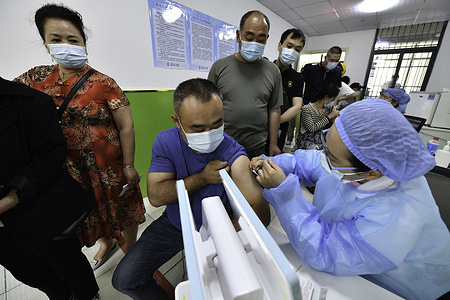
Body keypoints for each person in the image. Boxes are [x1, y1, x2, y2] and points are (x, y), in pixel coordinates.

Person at [250, 98, 450, 300]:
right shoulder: (354, 159)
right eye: (326, 147)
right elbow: (308, 162)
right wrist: (270, 163)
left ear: (373, 173)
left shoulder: (398, 215)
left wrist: (285, 194)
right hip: (352, 268)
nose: (323, 156)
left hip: (395, 287)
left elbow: (326, 251)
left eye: (332, 156)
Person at [14, 4, 145, 270]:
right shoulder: (34, 79)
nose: (65, 45)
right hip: (69, 170)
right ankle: (104, 243)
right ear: (46, 43)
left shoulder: (104, 83)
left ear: (84, 43)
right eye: (56, 39)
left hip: (110, 168)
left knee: (124, 210)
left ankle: (130, 249)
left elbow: (126, 128)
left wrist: (129, 165)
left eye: (72, 40)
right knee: (89, 212)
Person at [112, 78, 270, 299]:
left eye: (217, 124)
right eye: (197, 128)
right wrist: (202, 178)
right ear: (177, 122)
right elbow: (156, 196)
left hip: (219, 228)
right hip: (176, 224)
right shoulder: (166, 142)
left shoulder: (231, 149)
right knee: (124, 280)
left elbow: (260, 215)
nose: (209, 133)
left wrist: (225, 238)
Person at [0, 77, 99, 300]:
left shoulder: (26, 101)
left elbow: (51, 154)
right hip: (4, 230)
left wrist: (11, 199)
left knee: (68, 264)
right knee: (28, 272)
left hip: (36, 209)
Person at [208, 10, 283, 158]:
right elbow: (208, 107)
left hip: (257, 145)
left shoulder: (273, 71)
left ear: (267, 39)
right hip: (224, 144)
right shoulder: (219, 67)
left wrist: (273, 144)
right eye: (249, 37)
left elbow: (274, 109)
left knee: (255, 181)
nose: (254, 43)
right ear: (238, 36)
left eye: (261, 39)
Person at [273, 28, 305, 151]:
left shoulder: (297, 77)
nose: (292, 51)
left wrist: (275, 122)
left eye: (297, 49)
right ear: (279, 46)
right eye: (289, 46)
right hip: (258, 125)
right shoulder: (265, 70)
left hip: (281, 124)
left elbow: (297, 106)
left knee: (272, 159)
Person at [297, 84, 340, 150]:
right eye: (333, 99)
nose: (333, 102)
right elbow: (312, 128)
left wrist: (334, 116)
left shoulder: (328, 109)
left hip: (318, 137)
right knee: (319, 150)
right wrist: (329, 117)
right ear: (326, 97)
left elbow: (336, 125)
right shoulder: (307, 109)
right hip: (305, 139)